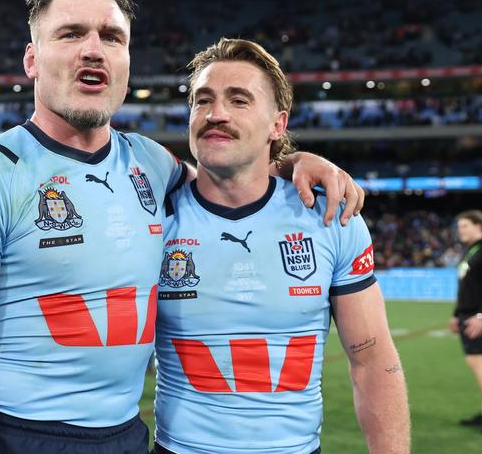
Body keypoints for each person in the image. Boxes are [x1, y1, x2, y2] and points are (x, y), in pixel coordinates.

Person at [0, 0, 364, 453]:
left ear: (126, 61)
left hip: (129, 436)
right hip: (22, 435)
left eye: (111, 36)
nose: (93, 48)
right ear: (32, 59)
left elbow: (233, 180)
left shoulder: (151, 163)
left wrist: (294, 159)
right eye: (70, 34)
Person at [153, 38, 410, 454]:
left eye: (239, 100)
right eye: (203, 101)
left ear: (278, 124)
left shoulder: (330, 219)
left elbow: (372, 361)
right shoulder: (150, 218)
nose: (216, 114)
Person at [449, 210, 482, 429]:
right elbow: (468, 288)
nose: (461, 230)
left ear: (479, 225)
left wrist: (481, 315)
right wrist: (456, 314)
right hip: (467, 315)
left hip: (476, 318)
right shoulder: (472, 251)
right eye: (459, 226)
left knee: (479, 365)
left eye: (465, 226)